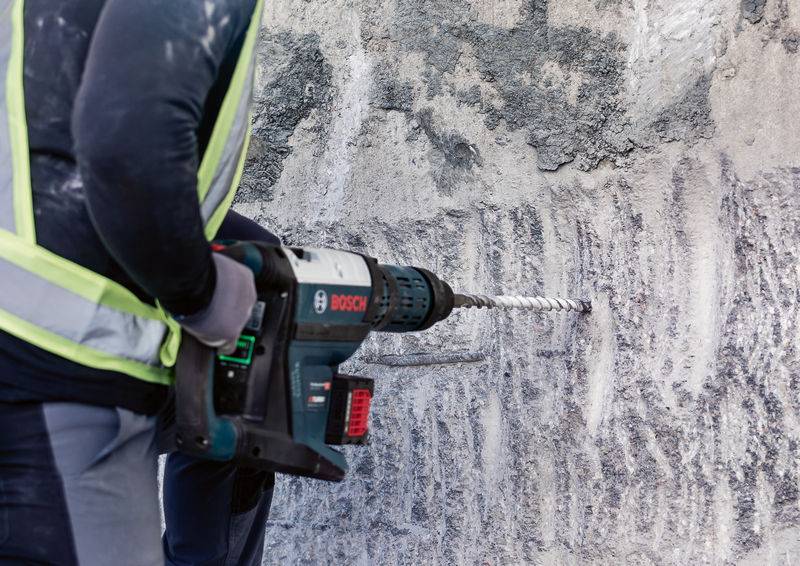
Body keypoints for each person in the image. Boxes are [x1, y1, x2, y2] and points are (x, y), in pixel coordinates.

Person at [0, 1, 278, 564]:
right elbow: (129, 147)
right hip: (49, 362)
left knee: (242, 382)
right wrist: (199, 293)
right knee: (250, 374)